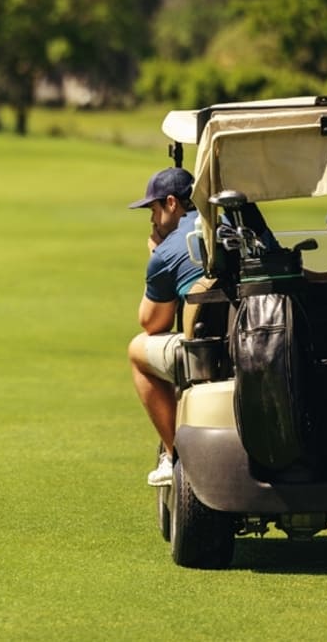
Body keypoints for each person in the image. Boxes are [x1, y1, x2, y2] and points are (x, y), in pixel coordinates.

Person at [126, 166, 203, 487]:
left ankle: (175, 457)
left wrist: (156, 256)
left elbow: (152, 322)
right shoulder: (243, 225)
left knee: (137, 350)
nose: (152, 220)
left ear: (172, 203)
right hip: (258, 335)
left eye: (154, 210)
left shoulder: (167, 250)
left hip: (208, 351)